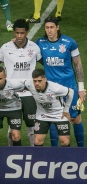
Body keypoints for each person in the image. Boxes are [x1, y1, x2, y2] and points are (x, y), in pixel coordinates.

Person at [36, 16, 86, 147]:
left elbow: (78, 65)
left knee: (75, 118)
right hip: (52, 90)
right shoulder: (40, 43)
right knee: (55, 119)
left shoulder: (69, 42)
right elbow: (29, 52)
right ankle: (55, 151)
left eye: (52, 27)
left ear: (57, 27)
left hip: (70, 87)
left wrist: (81, 88)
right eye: (47, 27)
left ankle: (82, 150)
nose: (49, 30)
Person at [0, 19, 42, 146]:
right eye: (17, 33)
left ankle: (34, 152)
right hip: (11, 93)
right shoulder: (5, 47)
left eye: (22, 33)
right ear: (14, 32)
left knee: (31, 126)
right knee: (13, 127)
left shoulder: (34, 48)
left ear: (26, 32)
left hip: (29, 94)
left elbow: (44, 64)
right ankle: (12, 152)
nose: (19, 36)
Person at [24, 68, 74, 146]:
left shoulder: (55, 88)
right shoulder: (29, 84)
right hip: (42, 115)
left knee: (65, 141)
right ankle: (39, 158)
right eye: (35, 81)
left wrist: (66, 110)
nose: (36, 83)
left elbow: (71, 92)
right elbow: (19, 84)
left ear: (45, 79)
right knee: (37, 141)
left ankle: (65, 158)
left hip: (59, 115)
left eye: (39, 81)